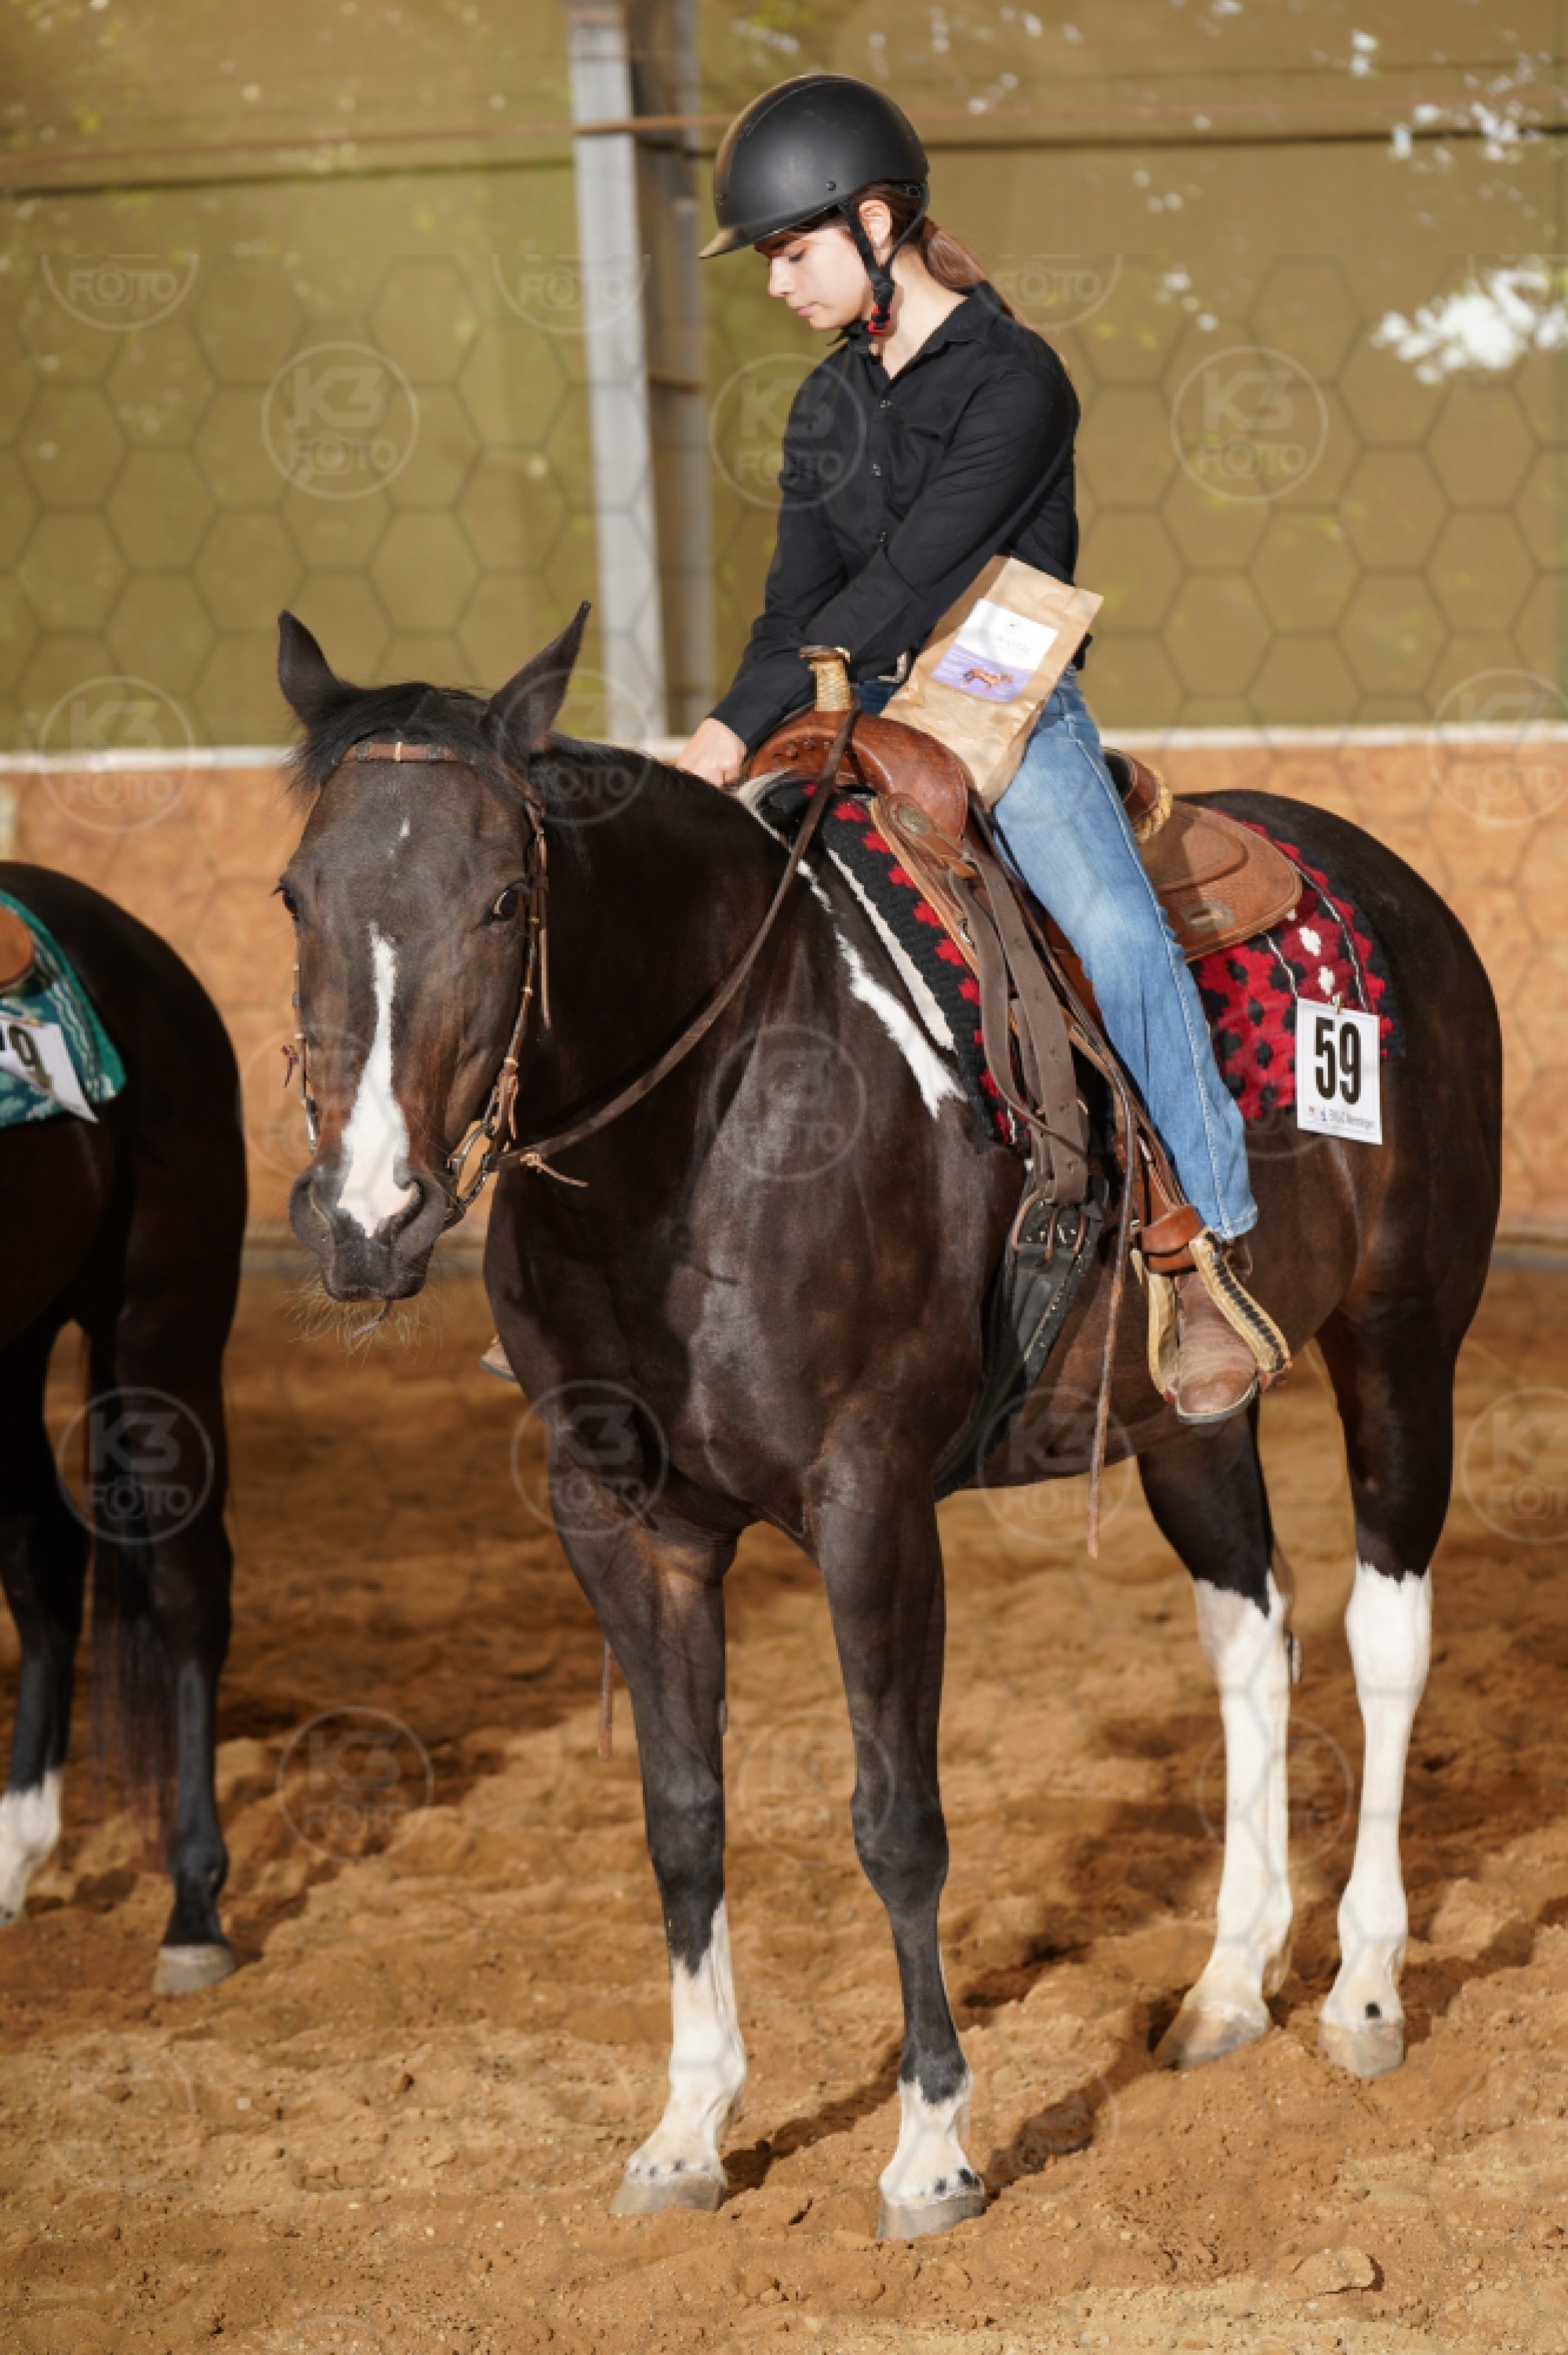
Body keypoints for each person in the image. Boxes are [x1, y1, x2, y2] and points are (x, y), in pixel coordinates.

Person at [677, 71, 1263, 1424]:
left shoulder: (1016, 381)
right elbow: (791, 613)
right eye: (770, 259)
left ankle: (1205, 1250)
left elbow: (908, 583)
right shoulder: (822, 409)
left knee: (1114, 932)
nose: (777, 282)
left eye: (793, 251)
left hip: (1009, 714)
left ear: (875, 223)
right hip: (851, 720)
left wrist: (773, 711)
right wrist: (714, 743)